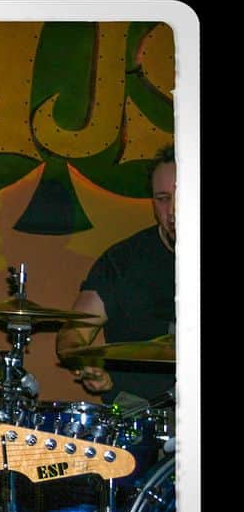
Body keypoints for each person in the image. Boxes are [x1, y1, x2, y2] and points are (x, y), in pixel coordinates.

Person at [56, 144, 176, 405]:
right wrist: (86, 362)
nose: (173, 211)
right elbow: (74, 334)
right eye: (163, 199)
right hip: (138, 412)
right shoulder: (123, 260)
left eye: (183, 195)